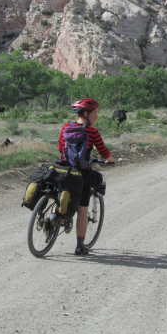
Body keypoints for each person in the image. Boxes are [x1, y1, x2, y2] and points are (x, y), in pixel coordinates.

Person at [57, 98, 116, 255]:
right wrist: (110, 159)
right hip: (82, 173)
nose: (97, 116)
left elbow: (60, 146)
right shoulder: (92, 131)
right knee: (83, 209)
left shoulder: (65, 128)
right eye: (95, 113)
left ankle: (53, 216)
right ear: (86, 113)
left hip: (63, 170)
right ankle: (80, 246)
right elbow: (103, 151)